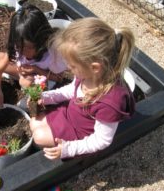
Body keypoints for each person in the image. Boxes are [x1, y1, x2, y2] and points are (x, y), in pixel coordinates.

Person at [30, 17, 136, 160]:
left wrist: (69, 149)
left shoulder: (110, 102)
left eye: (72, 65)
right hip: (71, 114)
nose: (68, 67)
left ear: (95, 67)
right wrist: (48, 97)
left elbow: (101, 140)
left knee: (39, 136)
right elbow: (70, 90)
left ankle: (47, 151)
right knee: (34, 121)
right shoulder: (86, 74)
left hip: (80, 133)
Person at [0, 4, 67, 108]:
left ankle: (27, 89)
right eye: (18, 46)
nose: (21, 51)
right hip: (21, 71)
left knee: (24, 87)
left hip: (41, 80)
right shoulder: (19, 42)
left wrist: (35, 69)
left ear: (40, 41)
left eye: (27, 48)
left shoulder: (51, 54)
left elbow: (58, 79)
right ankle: (16, 78)